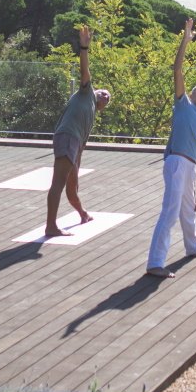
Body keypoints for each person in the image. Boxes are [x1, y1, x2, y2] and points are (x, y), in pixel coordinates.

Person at [145, 18, 196, 278]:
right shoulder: (183, 104)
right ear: (191, 93)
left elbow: (192, 161)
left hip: (188, 166)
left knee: (187, 209)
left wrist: (193, 190)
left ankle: (192, 247)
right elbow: (177, 70)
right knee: (170, 211)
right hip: (176, 162)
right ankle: (155, 263)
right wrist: (185, 40)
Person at [45, 24, 110, 237]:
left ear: (101, 108)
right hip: (67, 137)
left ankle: (83, 213)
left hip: (73, 141)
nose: (105, 95)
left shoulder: (89, 116)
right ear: (95, 90)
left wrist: (82, 212)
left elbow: (73, 189)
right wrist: (84, 48)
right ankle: (51, 227)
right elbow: (85, 70)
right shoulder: (86, 93)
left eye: (108, 98)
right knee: (57, 183)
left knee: (71, 186)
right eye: (104, 92)